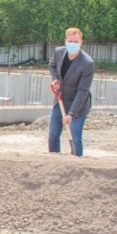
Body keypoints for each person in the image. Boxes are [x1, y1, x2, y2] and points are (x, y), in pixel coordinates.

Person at [48, 27, 95, 157]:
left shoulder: (87, 63)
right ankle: (54, 161)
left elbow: (82, 91)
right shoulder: (58, 52)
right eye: (70, 41)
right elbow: (52, 65)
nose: (73, 44)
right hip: (60, 99)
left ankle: (77, 163)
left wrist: (71, 114)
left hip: (78, 105)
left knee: (75, 137)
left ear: (81, 43)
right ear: (65, 41)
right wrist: (55, 79)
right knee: (53, 135)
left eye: (76, 42)